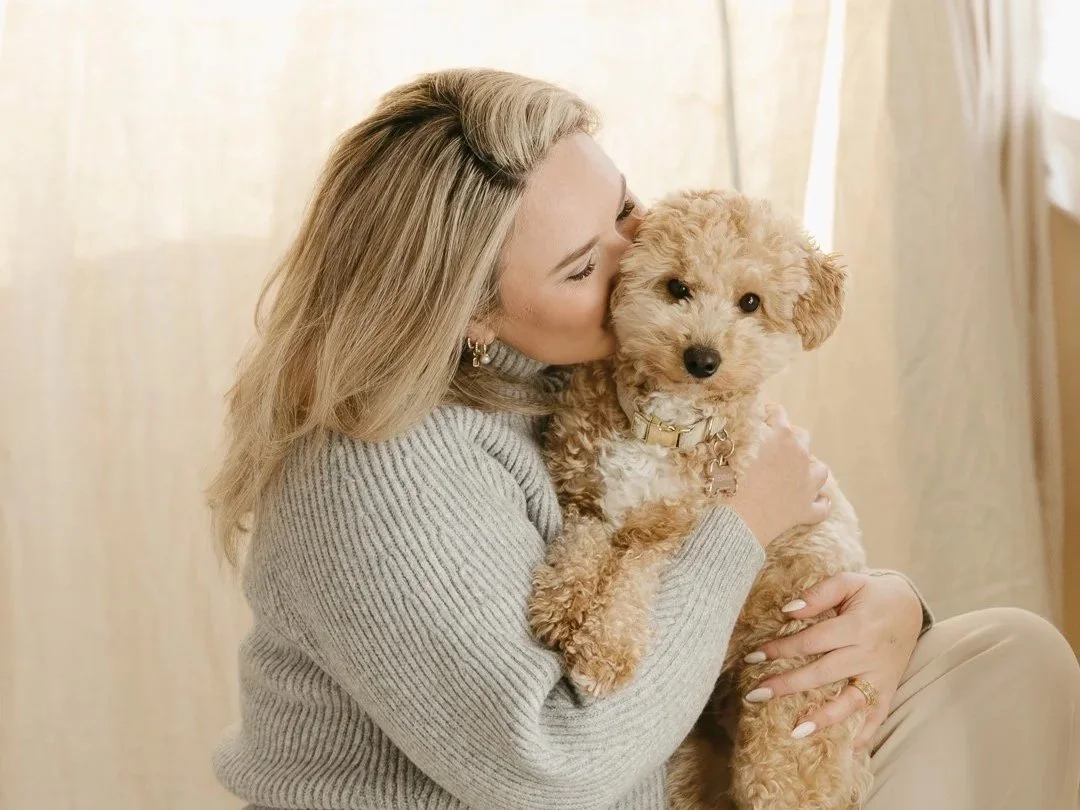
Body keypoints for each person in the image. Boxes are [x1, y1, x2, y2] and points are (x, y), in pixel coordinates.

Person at [208, 68, 1080, 810]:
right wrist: (743, 526)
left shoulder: (590, 368)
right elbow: (552, 766)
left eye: (626, 209)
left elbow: (715, 544)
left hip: (662, 750)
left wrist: (883, 612)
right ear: (469, 310)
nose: (637, 259)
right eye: (585, 265)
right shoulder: (378, 465)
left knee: (1013, 654)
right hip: (585, 784)